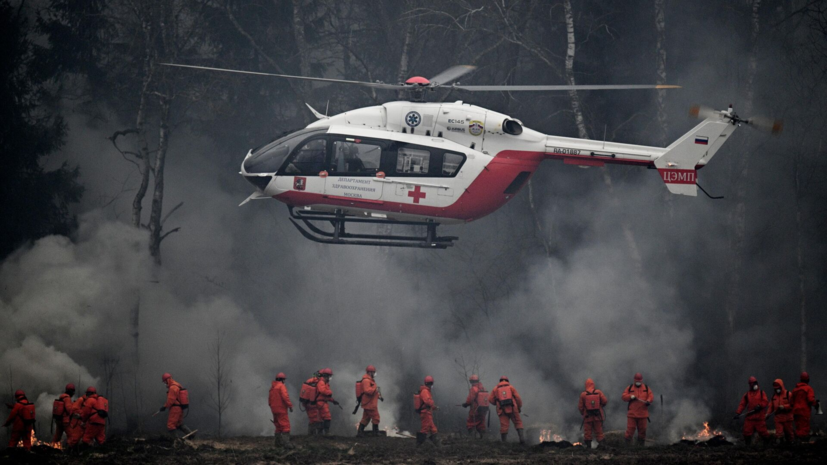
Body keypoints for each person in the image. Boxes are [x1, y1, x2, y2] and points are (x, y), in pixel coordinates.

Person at [488, 376, 525, 444]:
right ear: (507, 381)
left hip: (501, 409)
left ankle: (504, 442)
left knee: (504, 426)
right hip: (513, 408)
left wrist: (497, 403)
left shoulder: (495, 389)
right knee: (518, 422)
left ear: (500, 381)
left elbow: (490, 399)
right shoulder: (511, 387)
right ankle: (521, 439)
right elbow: (518, 398)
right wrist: (519, 407)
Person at [734, 376, 770, 445]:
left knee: (763, 432)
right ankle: (748, 446)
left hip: (759, 417)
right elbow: (742, 404)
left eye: (755, 383)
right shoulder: (747, 395)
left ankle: (767, 445)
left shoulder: (762, 393)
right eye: (753, 383)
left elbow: (765, 401)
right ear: (750, 385)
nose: (754, 385)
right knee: (746, 432)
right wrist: (738, 413)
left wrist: (760, 406)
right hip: (750, 417)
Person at [621, 373, 653, 447]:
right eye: (637, 381)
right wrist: (630, 396)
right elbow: (623, 397)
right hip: (632, 414)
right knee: (630, 430)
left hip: (643, 414)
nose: (638, 382)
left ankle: (640, 447)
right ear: (634, 380)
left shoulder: (646, 388)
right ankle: (627, 447)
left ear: (641, 381)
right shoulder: (630, 387)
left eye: (639, 381)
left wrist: (648, 401)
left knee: (642, 431)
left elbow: (651, 396)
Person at [160, 373, 194, 438]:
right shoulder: (177, 385)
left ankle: (176, 440)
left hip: (175, 408)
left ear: (167, 380)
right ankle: (191, 435)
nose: (165, 383)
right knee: (178, 423)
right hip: (180, 408)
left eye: (164, 382)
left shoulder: (172, 388)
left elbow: (171, 400)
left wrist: (164, 406)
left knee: (170, 425)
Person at [578, 379, 608, 447]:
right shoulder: (598, 392)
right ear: (593, 384)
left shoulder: (583, 394)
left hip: (587, 417)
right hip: (598, 416)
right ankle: (602, 445)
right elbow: (605, 401)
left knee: (587, 432)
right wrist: (600, 406)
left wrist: (583, 413)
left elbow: (580, 407)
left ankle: (589, 447)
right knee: (599, 432)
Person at [269, 372, 294, 448]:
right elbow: (285, 397)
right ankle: (286, 444)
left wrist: (272, 407)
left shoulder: (272, 387)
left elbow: (269, 400)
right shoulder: (281, 386)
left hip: (274, 409)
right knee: (285, 426)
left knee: (278, 426)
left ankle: (277, 443)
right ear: (282, 380)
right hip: (281, 409)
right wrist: (290, 406)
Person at [791, 371, 817, 442]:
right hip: (804, 412)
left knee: (798, 427)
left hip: (796, 412)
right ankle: (802, 442)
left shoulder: (795, 390)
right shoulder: (808, 389)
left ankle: (796, 440)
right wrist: (816, 404)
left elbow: (791, 402)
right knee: (804, 428)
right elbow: (810, 400)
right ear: (808, 380)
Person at [357, 365, 382, 436]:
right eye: (373, 372)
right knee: (376, 417)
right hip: (370, 404)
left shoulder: (369, 380)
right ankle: (375, 432)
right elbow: (367, 391)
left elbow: (373, 392)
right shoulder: (366, 380)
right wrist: (375, 389)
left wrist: (379, 396)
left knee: (366, 418)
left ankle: (360, 432)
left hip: (369, 403)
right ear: (370, 372)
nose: (374, 374)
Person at [416, 376, 439, 446]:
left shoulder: (426, 391)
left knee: (433, 429)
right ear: (431, 383)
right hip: (425, 413)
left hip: (427, 412)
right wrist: (433, 405)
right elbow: (427, 401)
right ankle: (419, 445)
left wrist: (434, 407)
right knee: (425, 429)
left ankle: (437, 444)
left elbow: (428, 403)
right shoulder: (425, 391)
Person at [769, 378, 794, 444]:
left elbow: (793, 405)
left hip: (787, 419)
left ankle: (790, 444)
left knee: (789, 434)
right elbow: (770, 407)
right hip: (778, 419)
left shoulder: (788, 394)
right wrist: (767, 414)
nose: (777, 390)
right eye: (776, 388)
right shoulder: (774, 397)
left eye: (778, 388)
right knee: (779, 434)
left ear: (781, 386)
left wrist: (784, 407)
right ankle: (780, 445)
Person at [317, 368, 339, 435]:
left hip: (322, 402)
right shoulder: (321, 382)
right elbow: (322, 391)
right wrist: (330, 392)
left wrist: (333, 401)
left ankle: (320, 433)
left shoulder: (325, 383)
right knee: (327, 416)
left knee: (321, 418)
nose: (330, 378)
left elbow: (326, 396)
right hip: (321, 402)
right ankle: (327, 432)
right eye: (329, 376)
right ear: (325, 376)